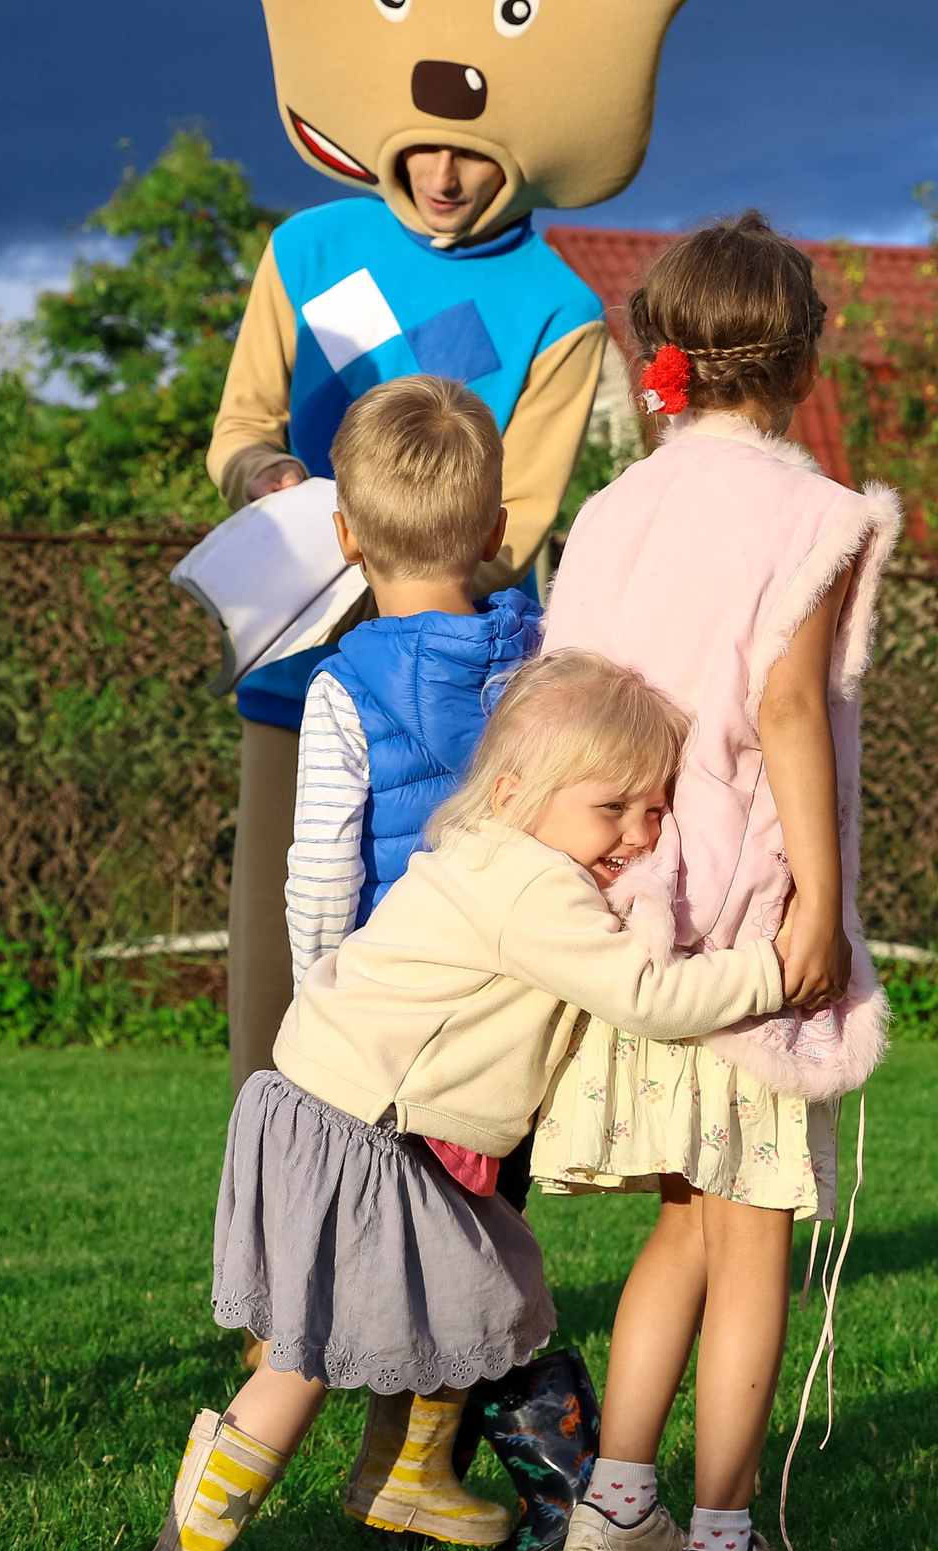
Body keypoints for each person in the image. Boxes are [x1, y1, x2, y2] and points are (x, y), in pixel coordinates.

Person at [129, 650, 790, 1551]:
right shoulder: (535, 887)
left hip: (336, 1110)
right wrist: (775, 970)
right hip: (364, 1132)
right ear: (516, 792)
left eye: (655, 809)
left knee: (474, 1295)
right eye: (612, 808)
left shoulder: (485, 850)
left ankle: (407, 1479)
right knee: (310, 1355)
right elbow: (645, 996)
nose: (639, 833)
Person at [211, 0, 693, 1103]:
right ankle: (272, 1156)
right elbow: (238, 431)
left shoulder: (560, 308)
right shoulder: (306, 251)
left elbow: (516, 520)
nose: (441, 174)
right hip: (294, 660)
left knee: (455, 980)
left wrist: (405, 569)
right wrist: (265, 475)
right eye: (423, 147)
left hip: (467, 689)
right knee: (279, 950)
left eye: (470, 154)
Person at [534, 213, 897, 1551]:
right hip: (746, 918)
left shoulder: (614, 510)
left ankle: (615, 1510)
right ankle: (725, 1548)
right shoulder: (809, 514)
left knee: (686, 1221)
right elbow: (787, 704)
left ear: (664, 358)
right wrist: (821, 904)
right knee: (754, 1235)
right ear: (803, 360)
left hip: (629, 916)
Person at [278, 372, 590, 1551]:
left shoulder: (343, 686)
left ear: (345, 536)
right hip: (513, 1017)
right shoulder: (544, 660)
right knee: (477, 1231)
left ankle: (429, 1471)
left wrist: (318, 994)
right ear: (498, 528)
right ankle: (408, 1467)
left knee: (428, 1252)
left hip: (393, 1023)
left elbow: (320, 869)